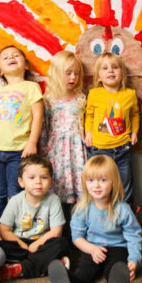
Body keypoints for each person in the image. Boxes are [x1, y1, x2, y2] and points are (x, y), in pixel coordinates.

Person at [48, 155, 142, 283]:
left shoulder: (122, 209)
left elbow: (134, 236)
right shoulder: (82, 209)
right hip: (91, 247)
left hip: (117, 248)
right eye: (91, 180)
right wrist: (91, 249)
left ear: (113, 182)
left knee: (115, 269)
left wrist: (134, 260)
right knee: (84, 273)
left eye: (103, 180)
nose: (96, 185)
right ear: (85, 183)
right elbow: (77, 237)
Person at [0, 45, 44, 230]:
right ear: (0, 71)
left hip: (18, 150)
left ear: (26, 65)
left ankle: (18, 231)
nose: (11, 57)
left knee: (16, 193)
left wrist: (32, 142)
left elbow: (38, 116)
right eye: (5, 57)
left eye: (15, 55)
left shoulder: (31, 87)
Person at [0, 154, 69, 280]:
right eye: (31, 177)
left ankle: (21, 268)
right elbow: (4, 229)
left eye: (44, 177)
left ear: (51, 181)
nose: (38, 182)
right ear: (21, 182)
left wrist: (37, 244)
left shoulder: (53, 200)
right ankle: (45, 265)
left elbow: (56, 231)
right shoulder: (15, 201)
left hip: (42, 243)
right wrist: (21, 244)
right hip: (20, 243)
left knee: (62, 244)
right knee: (1, 246)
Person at [84, 52, 139, 204]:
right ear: (99, 77)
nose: (111, 71)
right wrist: (88, 132)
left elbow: (135, 114)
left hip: (123, 149)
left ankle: (125, 221)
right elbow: (89, 115)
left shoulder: (130, 94)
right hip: (99, 150)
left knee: (125, 188)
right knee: (99, 189)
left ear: (122, 73)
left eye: (115, 67)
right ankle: (101, 219)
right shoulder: (94, 94)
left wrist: (134, 131)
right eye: (105, 68)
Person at [41, 50, 87, 228]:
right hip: (56, 154)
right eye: (68, 73)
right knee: (58, 191)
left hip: (77, 152)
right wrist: (43, 154)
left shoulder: (81, 98)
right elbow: (44, 130)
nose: (73, 77)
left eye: (76, 73)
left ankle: (79, 231)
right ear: (57, 73)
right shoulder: (48, 100)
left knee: (80, 192)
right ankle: (61, 233)